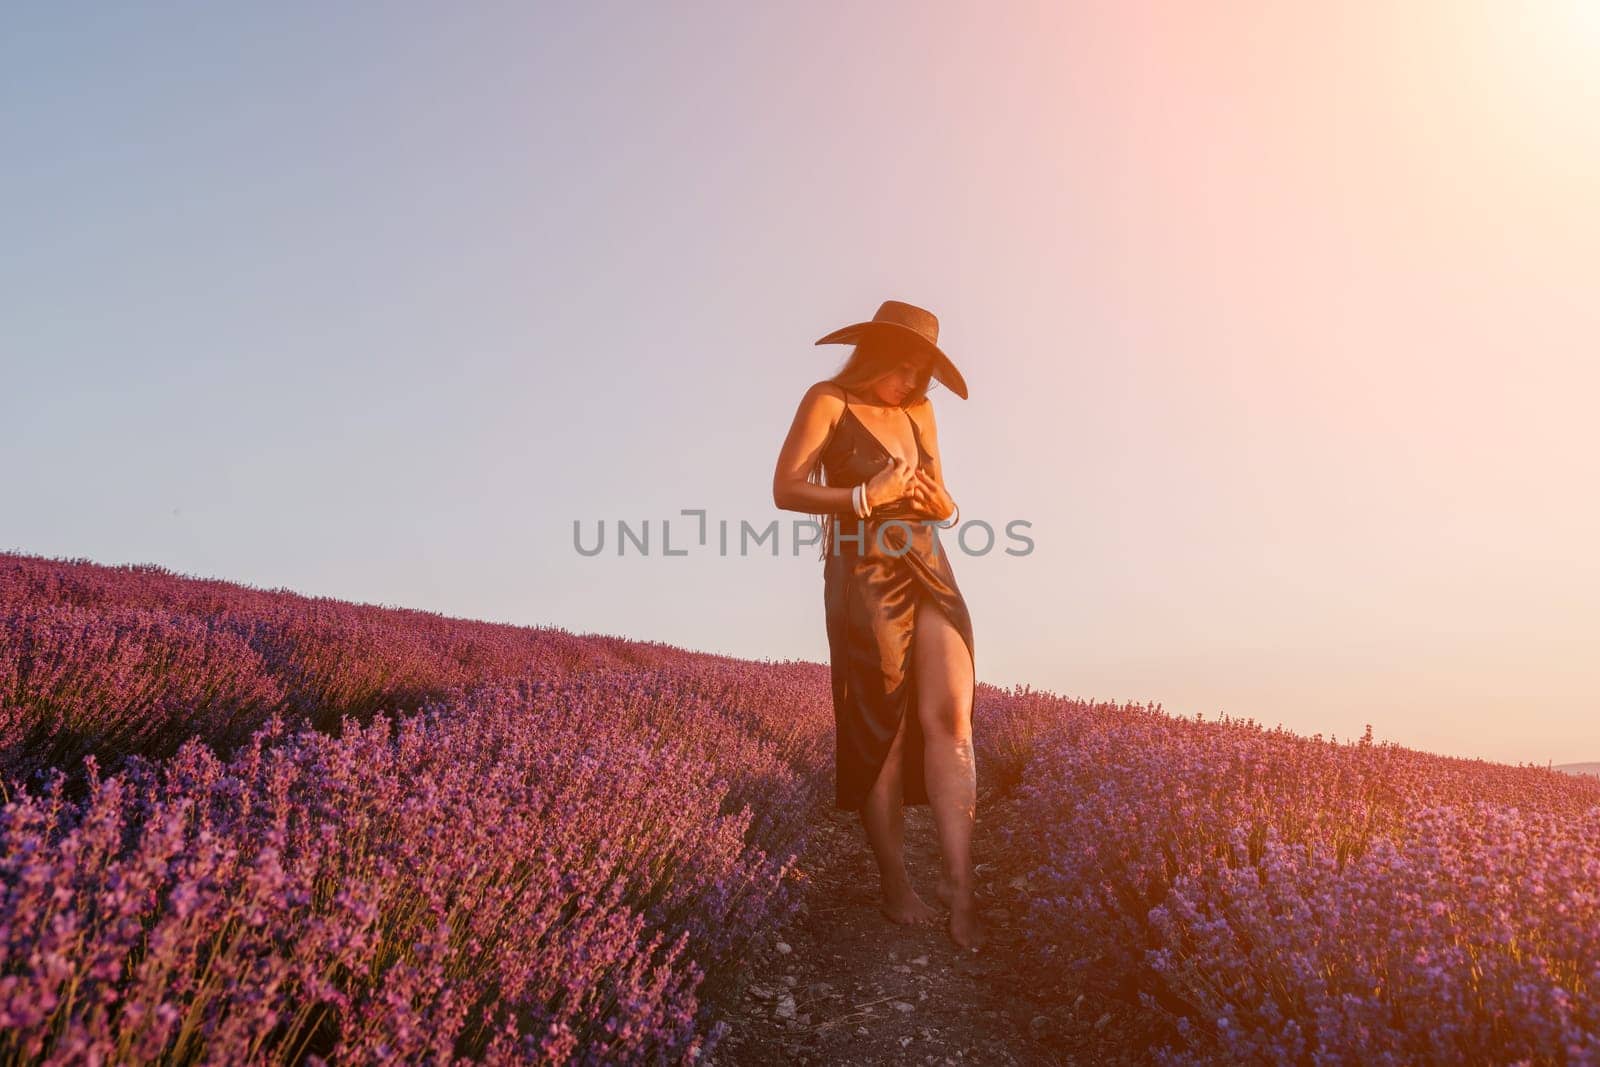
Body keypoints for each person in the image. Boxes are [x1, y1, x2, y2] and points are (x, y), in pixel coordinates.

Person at [771, 299, 986, 952]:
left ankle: (960, 885)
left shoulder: (921, 412)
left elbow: (944, 499)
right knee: (883, 731)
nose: (918, 380)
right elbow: (786, 487)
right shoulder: (828, 400)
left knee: (952, 718)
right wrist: (867, 497)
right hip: (861, 572)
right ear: (881, 355)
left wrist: (938, 502)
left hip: (928, 565)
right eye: (911, 364)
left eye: (927, 368)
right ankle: (896, 885)